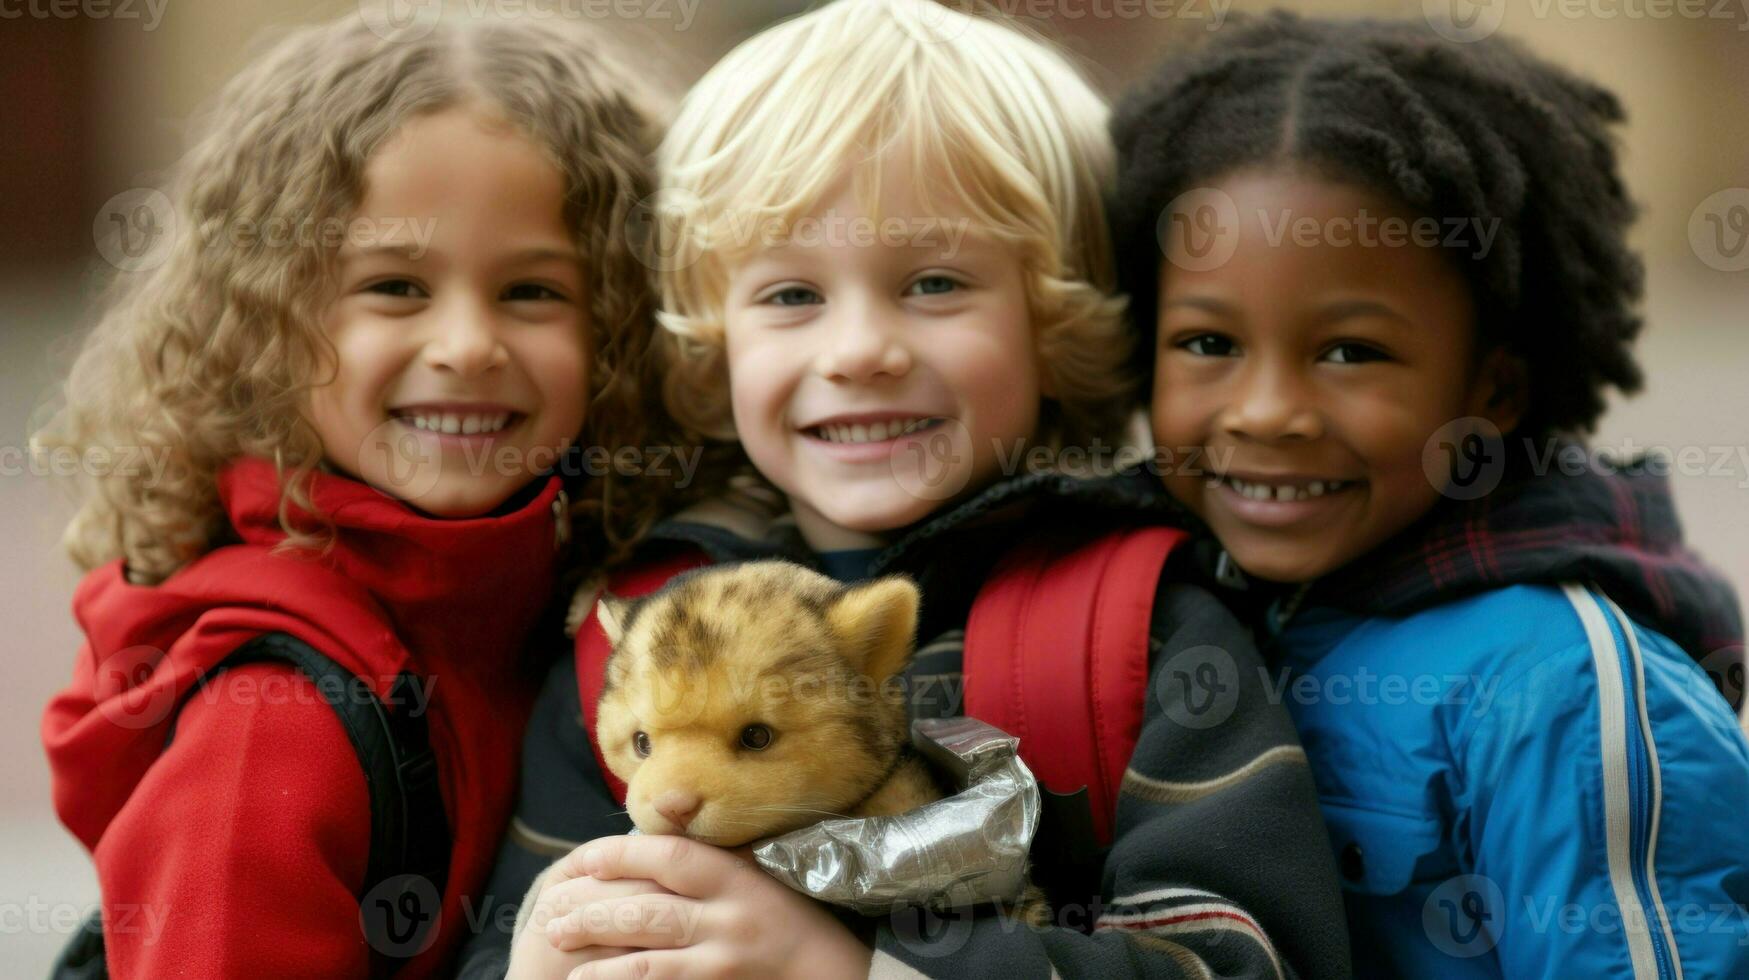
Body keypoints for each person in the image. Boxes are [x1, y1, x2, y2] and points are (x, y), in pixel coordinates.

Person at [462, 2, 1350, 978]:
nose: (860, 352)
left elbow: (1250, 959)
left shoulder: (1139, 630)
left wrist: (849, 963)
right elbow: (518, 932)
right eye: (792, 295)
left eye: (933, 283)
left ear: (1051, 319)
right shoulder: (626, 641)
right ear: (718, 344)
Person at [39, 11, 681, 976]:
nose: (466, 343)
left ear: (622, 327)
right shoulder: (272, 729)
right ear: (264, 321)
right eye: (394, 287)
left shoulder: (569, 594)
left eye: (532, 292)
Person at [1111, 13, 1749, 977]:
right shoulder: (1166, 615)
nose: (1267, 411)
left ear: (1489, 392)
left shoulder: (1560, 687)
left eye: (1350, 353)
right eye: (1208, 344)